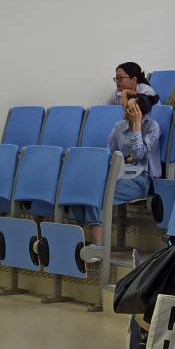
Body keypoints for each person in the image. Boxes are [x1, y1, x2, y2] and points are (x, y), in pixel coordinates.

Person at [67, 94, 160, 243]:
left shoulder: (152, 127)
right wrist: (126, 158)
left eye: (129, 108)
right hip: (117, 172)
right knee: (83, 184)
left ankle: (98, 245)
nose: (124, 110)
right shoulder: (119, 126)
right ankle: (77, 238)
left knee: (97, 191)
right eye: (125, 107)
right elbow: (109, 154)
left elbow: (138, 155)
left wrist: (136, 126)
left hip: (140, 179)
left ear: (139, 112)